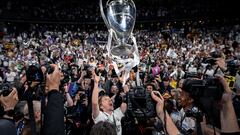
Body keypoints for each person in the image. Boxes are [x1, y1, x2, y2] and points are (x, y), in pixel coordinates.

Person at [92, 70, 127, 135]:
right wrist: (96, 83)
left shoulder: (117, 113)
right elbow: (94, 103)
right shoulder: (99, 116)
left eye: (109, 99)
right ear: (101, 106)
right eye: (105, 99)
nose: (110, 100)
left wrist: (123, 86)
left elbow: (124, 105)